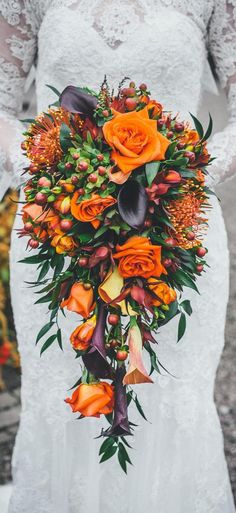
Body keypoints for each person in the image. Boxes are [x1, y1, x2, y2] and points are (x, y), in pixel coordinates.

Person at [0, 1, 236, 512]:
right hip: (56, 223)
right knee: (62, 387)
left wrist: (184, 179)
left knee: (170, 393)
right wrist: (42, 174)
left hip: (179, 227)